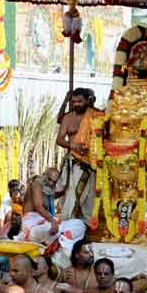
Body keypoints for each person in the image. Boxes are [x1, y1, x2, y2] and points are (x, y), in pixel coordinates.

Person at [56, 88, 100, 221]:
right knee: (72, 195)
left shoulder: (96, 116)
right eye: (74, 102)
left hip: (92, 162)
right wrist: (74, 146)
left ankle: (86, 227)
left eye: (80, 101)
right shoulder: (68, 118)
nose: (76, 104)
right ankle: (68, 224)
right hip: (75, 162)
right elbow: (59, 139)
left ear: (88, 100)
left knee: (89, 198)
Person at [20, 169, 63, 243]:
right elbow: (39, 207)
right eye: (49, 179)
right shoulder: (37, 183)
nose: (51, 183)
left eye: (54, 181)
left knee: (78, 224)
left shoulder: (47, 188)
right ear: (44, 175)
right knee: (52, 230)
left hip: (43, 220)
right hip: (31, 221)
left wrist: (65, 192)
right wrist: (53, 221)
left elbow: (51, 195)